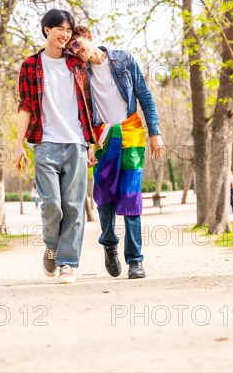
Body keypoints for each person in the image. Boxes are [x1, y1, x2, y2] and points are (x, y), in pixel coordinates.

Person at [67, 26, 165, 280]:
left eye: (77, 45)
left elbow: (144, 95)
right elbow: (80, 114)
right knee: (105, 198)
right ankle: (109, 244)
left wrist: (155, 132)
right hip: (101, 137)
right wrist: (87, 144)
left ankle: (135, 260)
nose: (76, 53)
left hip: (131, 132)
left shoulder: (124, 59)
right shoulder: (78, 73)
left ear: (88, 37)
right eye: (71, 51)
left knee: (131, 195)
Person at [15, 9, 95, 284]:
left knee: (73, 207)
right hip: (45, 143)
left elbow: (89, 105)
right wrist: (18, 146)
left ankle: (68, 264)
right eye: (60, 28)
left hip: (76, 142)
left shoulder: (77, 65)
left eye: (69, 30)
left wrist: (92, 143)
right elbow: (25, 107)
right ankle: (52, 244)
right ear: (47, 30)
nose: (65, 34)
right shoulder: (30, 65)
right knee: (52, 206)